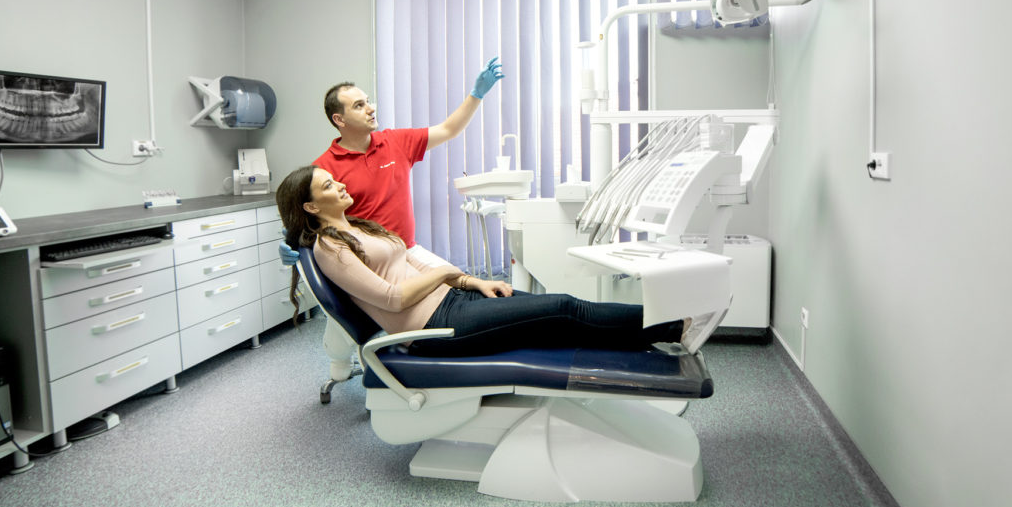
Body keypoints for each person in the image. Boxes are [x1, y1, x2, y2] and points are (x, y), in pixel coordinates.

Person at [277, 165, 720, 356]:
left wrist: (472, 282)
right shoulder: (329, 247)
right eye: (328, 186)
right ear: (311, 206)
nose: (339, 185)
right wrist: (447, 273)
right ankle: (676, 327)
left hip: (454, 303)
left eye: (335, 180)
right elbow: (392, 299)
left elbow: (411, 266)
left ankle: (661, 333)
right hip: (434, 329)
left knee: (557, 313)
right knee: (563, 308)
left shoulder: (359, 227)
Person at [279, 56, 503, 265]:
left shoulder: (396, 142)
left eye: (368, 101)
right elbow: (308, 220)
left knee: (463, 283)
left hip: (408, 251)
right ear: (339, 119)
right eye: (359, 106)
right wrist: (293, 243)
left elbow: (448, 129)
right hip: (368, 261)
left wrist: (476, 94)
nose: (371, 109)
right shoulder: (323, 170)